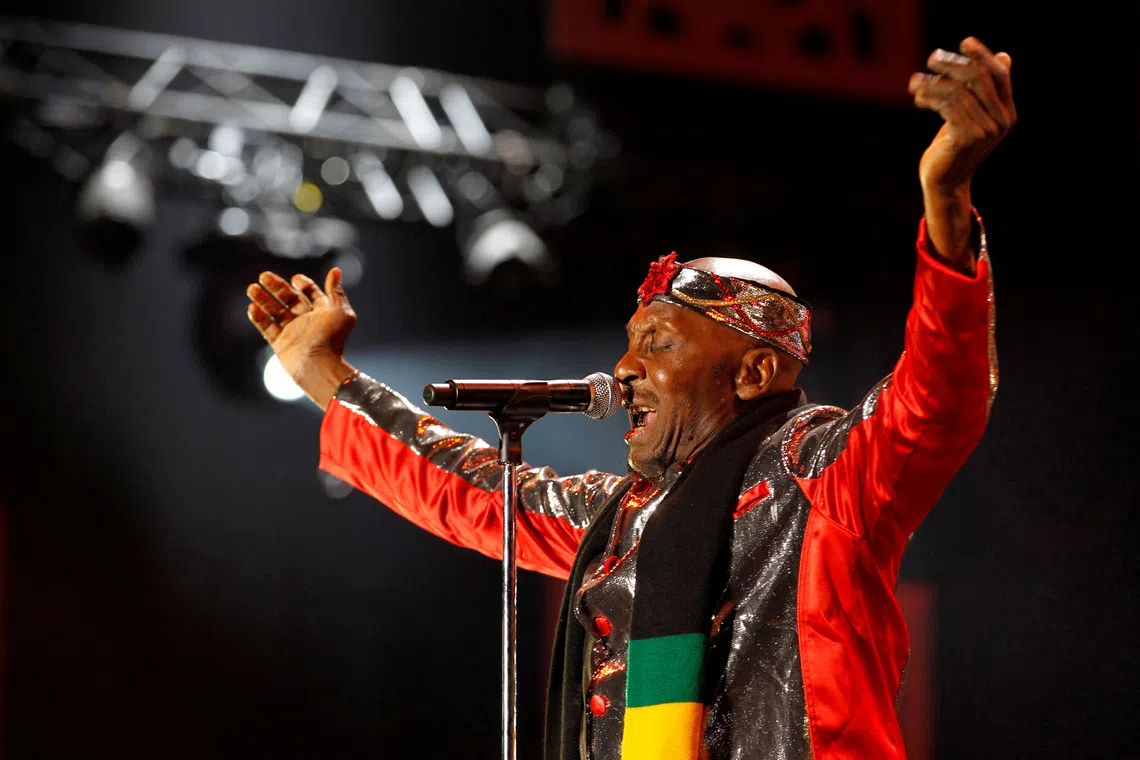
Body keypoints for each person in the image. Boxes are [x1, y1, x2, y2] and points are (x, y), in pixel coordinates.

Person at [245, 37, 1015, 760]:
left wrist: (945, 204)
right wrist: (325, 377)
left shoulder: (822, 480)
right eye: (629, 341)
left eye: (660, 344)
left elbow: (935, 396)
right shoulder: (620, 520)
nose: (622, 368)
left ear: (749, 375)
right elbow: (468, 488)